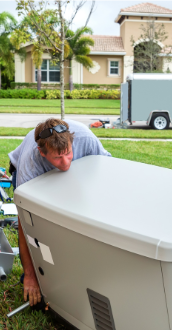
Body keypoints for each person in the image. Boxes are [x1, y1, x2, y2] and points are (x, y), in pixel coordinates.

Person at [9, 118, 111, 306]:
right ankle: (38, 276)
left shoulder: (86, 139)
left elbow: (106, 175)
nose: (65, 162)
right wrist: (30, 276)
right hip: (36, 179)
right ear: (42, 152)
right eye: (57, 157)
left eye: (68, 153)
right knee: (42, 226)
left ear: (73, 143)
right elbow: (24, 223)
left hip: (77, 175)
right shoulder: (30, 164)